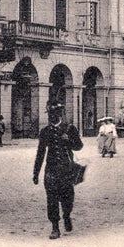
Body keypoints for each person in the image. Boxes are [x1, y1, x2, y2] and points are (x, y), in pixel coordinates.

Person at [33, 102, 83, 239]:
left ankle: (66, 215)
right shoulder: (45, 132)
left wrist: (69, 141)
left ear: (60, 114)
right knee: (52, 199)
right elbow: (40, 153)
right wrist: (36, 173)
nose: (52, 116)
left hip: (66, 169)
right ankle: (55, 227)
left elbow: (79, 146)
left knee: (68, 198)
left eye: (55, 113)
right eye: (50, 114)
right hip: (51, 170)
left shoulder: (70, 129)